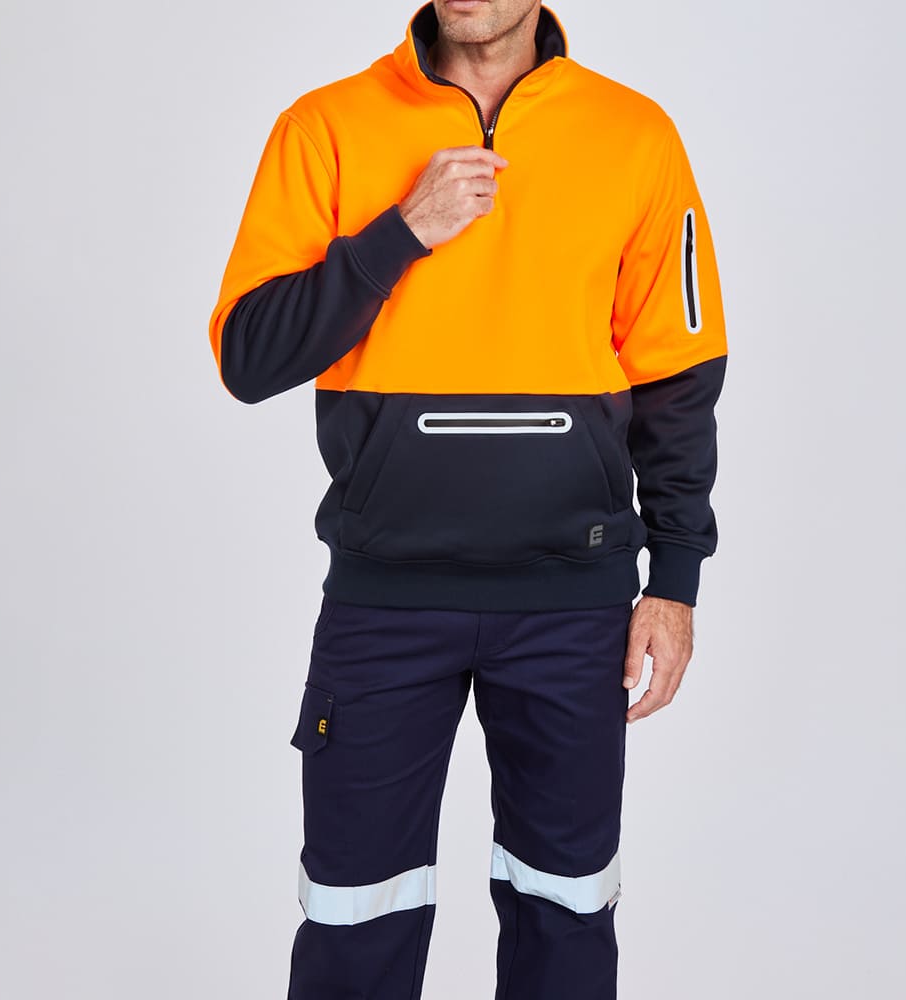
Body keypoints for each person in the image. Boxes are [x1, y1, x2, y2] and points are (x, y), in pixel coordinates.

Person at [207, 2, 727, 997]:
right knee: (353, 918)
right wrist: (399, 234)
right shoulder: (326, 126)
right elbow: (249, 355)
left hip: (573, 605)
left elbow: (679, 377)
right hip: (383, 601)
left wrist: (675, 579)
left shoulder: (635, 135)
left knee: (567, 915)